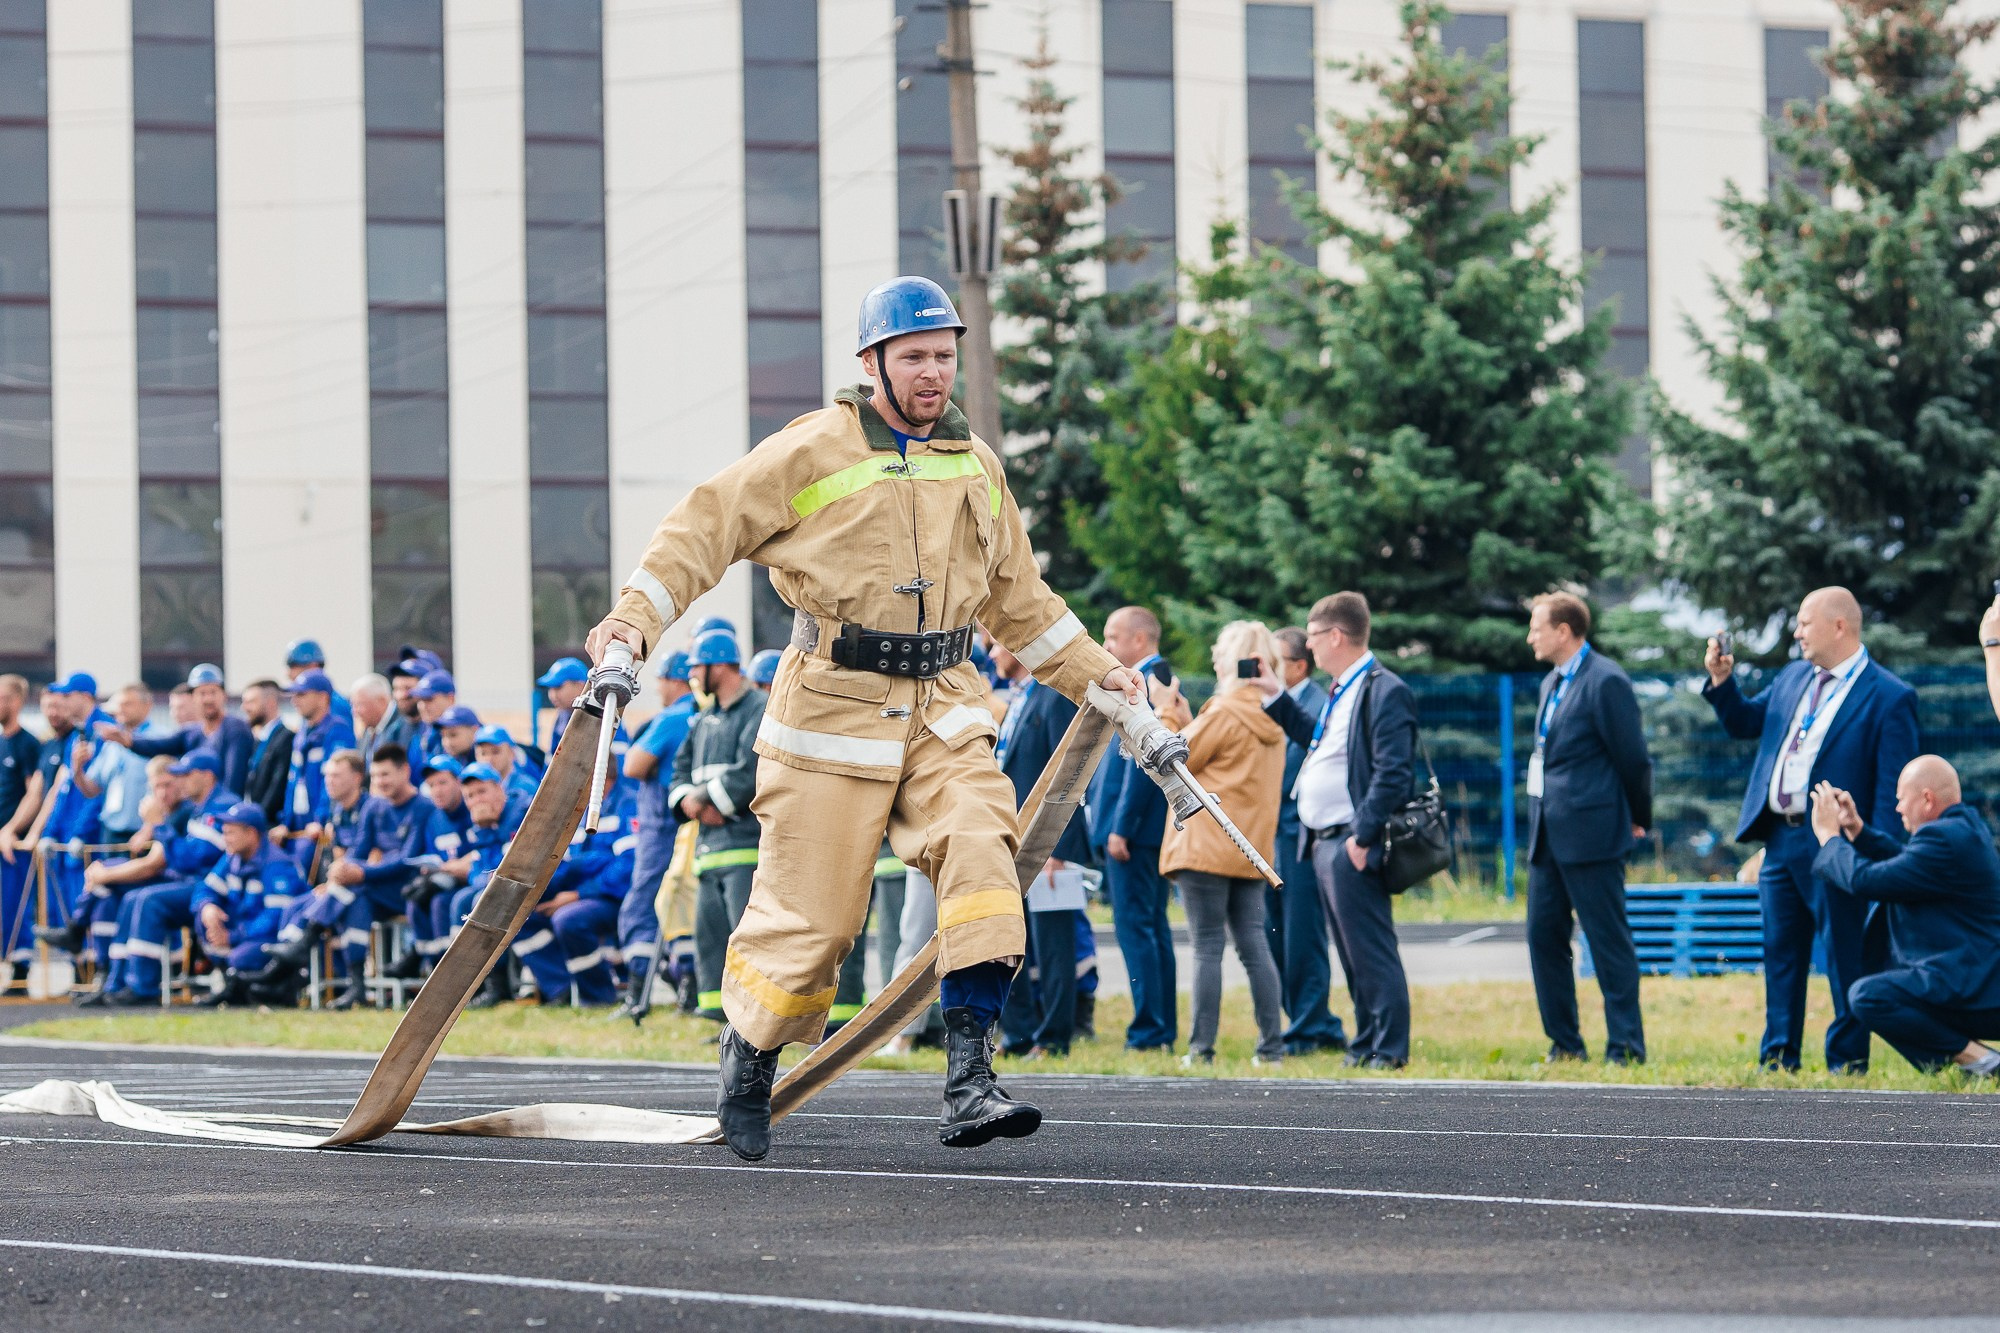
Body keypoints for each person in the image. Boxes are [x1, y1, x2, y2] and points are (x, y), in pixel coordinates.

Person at [585, 275, 1142, 1160]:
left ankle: (970, 1077)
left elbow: (1023, 604)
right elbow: (704, 528)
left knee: (981, 849)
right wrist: (633, 621)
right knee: (813, 924)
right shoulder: (812, 448)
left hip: (946, 705)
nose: (932, 373)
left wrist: (1105, 677)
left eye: (944, 356)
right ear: (872, 362)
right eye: (915, 356)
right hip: (828, 712)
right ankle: (750, 1052)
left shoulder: (977, 466)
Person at [1702, 585, 1918, 1073]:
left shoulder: (1889, 696)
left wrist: (1870, 853)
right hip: (1780, 840)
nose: (1796, 631)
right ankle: (1777, 1058)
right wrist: (1722, 683)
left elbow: (1890, 792)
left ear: (1839, 626)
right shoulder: (1795, 676)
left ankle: (1847, 1063)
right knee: (1780, 951)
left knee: (1844, 953)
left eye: (1804, 621)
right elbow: (1745, 723)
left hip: (1835, 843)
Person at [1255, 592, 1419, 1069]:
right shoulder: (1343, 687)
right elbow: (1321, 742)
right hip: (1324, 838)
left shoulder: (1384, 689)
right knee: (1350, 952)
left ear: (1336, 636)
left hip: (1351, 839)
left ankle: (1389, 1049)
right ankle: (1367, 1040)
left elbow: (1394, 772)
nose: (1308, 645)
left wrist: (1363, 837)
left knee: (1370, 948)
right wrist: (1275, 697)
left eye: (1312, 635)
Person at [1522, 592, 1654, 1066]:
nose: (1530, 635)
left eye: (1538, 626)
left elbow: (1633, 759)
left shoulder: (1606, 681)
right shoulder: (1550, 684)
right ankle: (1565, 1044)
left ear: (1564, 630)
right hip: (1547, 836)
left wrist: (1639, 816)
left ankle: (1625, 1047)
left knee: (1607, 941)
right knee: (1543, 937)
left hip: (1593, 834)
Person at [1809, 758, 2000, 1077]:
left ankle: (1982, 1062)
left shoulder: (1943, 839)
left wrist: (1830, 837)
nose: (1897, 808)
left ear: (1926, 799)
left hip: (1975, 991)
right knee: (1874, 993)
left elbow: (1867, 881)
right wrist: (1857, 830)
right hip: (1979, 985)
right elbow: (1905, 862)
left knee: (1869, 997)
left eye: (1901, 797)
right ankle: (1978, 1063)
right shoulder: (1962, 829)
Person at [1154, 622, 1289, 1066]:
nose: (1214, 658)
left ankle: (1201, 1048)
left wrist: (1169, 714)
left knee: (1207, 946)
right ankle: (1272, 1046)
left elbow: (1171, 759)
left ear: (1234, 660)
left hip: (1208, 845)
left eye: (1219, 652)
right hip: (1250, 849)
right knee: (1254, 945)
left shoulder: (1225, 711)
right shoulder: (1274, 716)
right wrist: (1196, 720)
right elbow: (1228, 764)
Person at [990, 640, 1093, 1059]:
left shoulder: (1053, 697)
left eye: (995, 644)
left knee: (1054, 945)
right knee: (1009, 938)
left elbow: (1069, 772)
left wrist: (1058, 845)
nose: (991, 654)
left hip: (1049, 846)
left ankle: (1053, 1037)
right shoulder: (1017, 698)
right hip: (1014, 842)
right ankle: (1019, 1034)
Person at [1086, 605, 1177, 1053]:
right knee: (1150, 928)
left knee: (1139, 929)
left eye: (1111, 637)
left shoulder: (1151, 683)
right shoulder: (1148, 678)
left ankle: (1150, 1030)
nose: (1105, 647)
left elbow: (1144, 762)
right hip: (1137, 831)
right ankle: (1158, 1027)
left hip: (1134, 833)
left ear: (1139, 640)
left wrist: (1120, 827)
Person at [666, 626, 765, 1022]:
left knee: (747, 941)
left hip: (744, 846)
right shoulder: (703, 718)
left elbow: (752, 769)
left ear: (721, 666)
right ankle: (717, 1017)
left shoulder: (758, 708)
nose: (693, 675)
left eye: (698, 667)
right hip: (709, 849)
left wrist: (706, 799)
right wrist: (690, 803)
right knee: (711, 939)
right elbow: (678, 772)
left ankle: (751, 1020)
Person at [91, 762, 238, 1006]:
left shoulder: (220, 805)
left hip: (210, 887)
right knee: (130, 897)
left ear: (207, 775)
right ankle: (115, 982)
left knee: (148, 899)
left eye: (186, 775)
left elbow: (188, 860)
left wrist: (158, 825)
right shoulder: (199, 807)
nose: (182, 782)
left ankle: (142, 986)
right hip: (192, 882)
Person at [1267, 627, 1348, 1055]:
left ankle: (1311, 1026)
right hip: (1272, 834)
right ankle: (1313, 1022)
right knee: (1275, 932)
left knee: (1303, 935)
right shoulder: (1274, 704)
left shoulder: (1316, 705)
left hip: (1301, 835)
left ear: (1299, 666)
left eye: (1276, 660)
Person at [617, 650, 696, 1020]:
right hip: (695, 825)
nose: (659, 687)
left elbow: (633, 767)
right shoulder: (709, 716)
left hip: (661, 825)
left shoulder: (672, 718)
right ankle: (689, 988)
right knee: (684, 905)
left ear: (674, 679)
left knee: (642, 906)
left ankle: (636, 996)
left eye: (661, 679)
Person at [513, 771, 635, 1007]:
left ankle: (597, 997)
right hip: (574, 895)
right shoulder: (578, 811)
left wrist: (580, 894)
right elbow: (565, 864)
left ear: (599, 775)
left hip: (615, 897)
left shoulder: (627, 803)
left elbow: (628, 867)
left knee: (568, 919)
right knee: (520, 913)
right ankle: (561, 990)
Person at [192, 803, 309, 1006]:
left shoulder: (277, 864)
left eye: (231, 833)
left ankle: (248, 988)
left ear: (251, 833)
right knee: (204, 918)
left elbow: (275, 918)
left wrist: (232, 936)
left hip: (271, 939)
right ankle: (230, 982)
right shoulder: (231, 858)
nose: (225, 838)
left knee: (241, 957)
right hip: (244, 933)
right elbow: (204, 889)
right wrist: (207, 907)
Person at [102, 664, 254, 796]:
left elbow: (234, 780)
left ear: (224, 695)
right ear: (193, 698)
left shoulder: (235, 729)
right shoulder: (192, 732)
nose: (208, 699)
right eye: (202, 693)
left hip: (222, 811)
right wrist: (127, 740)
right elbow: (159, 746)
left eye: (213, 692)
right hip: (201, 807)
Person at [278, 669, 357, 842]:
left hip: (319, 831)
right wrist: (286, 821)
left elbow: (335, 782)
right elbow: (293, 780)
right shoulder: (302, 733)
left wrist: (322, 819)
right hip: (299, 826)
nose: (295, 700)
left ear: (322, 697)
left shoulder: (338, 731)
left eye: (302, 694)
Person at [75, 683, 153, 847]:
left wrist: (150, 828)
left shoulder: (159, 740)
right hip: (110, 832)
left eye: (128, 704)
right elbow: (92, 789)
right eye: (119, 705)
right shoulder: (112, 743)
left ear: (147, 706)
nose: (121, 709)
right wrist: (77, 769)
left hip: (143, 835)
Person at [0, 674, 41, 977]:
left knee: (15, 904)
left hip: (14, 843)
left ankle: (21, 969)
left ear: (15, 701)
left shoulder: (28, 744)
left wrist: (11, 829)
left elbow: (34, 794)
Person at [238, 679, 294, 826]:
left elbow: (278, 784)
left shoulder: (286, 738)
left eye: (251, 702)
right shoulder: (258, 740)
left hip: (268, 824)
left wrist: (256, 821)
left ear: (270, 703)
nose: (245, 708)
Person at [351, 672, 413, 776]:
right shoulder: (368, 730)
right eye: (353, 705)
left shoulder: (404, 726)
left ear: (381, 701)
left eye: (359, 704)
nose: (355, 711)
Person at [284, 638, 352, 724]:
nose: (289, 674)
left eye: (293, 666)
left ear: (313, 667)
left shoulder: (335, 706)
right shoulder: (309, 707)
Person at [472, 725, 538, 801]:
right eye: (483, 753)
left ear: (511, 753)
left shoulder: (527, 789)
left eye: (495, 752)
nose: (489, 759)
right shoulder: (473, 790)